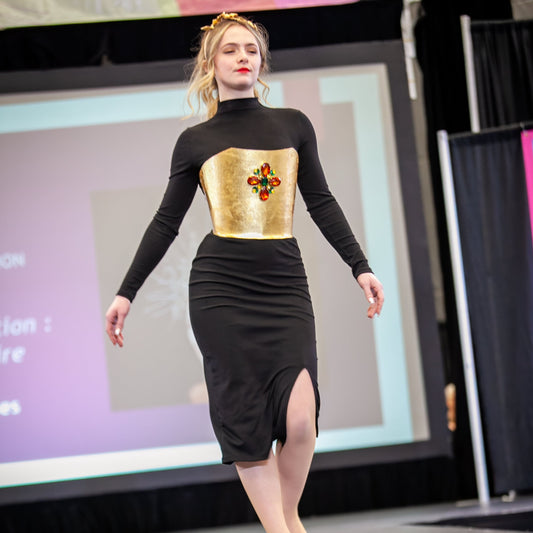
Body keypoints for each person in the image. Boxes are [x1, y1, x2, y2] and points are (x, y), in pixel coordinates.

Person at [105, 12, 384, 533]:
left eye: (251, 50)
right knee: (247, 420)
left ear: (261, 62)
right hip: (221, 290)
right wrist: (126, 293)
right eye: (231, 50)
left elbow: (321, 201)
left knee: (300, 419)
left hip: (284, 282)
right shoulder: (196, 140)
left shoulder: (294, 125)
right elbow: (165, 223)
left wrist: (360, 266)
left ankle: (287, 521)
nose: (242, 58)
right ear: (211, 64)